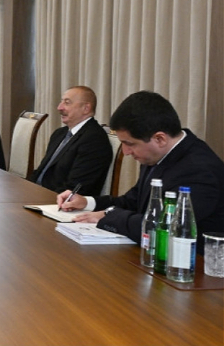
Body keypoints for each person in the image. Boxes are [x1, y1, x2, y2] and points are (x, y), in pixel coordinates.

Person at [58, 90, 224, 247]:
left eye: (129, 144)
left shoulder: (200, 170)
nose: (125, 152)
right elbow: (133, 201)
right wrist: (87, 202)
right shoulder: (157, 155)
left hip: (192, 263)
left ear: (160, 139)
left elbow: (162, 227)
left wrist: (109, 216)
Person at [28, 86, 113, 196]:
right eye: (61, 102)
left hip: (56, 201)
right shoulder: (59, 133)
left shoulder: (94, 140)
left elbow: (76, 188)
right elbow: (41, 172)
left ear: (86, 108)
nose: (59, 107)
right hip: (36, 194)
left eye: (67, 103)